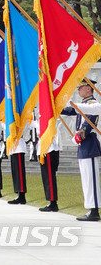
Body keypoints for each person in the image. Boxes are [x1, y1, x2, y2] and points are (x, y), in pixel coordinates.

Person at [61, 78, 101, 221]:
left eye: (81, 87)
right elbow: (72, 110)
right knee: (86, 179)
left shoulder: (92, 104)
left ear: (88, 89)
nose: (78, 90)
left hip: (89, 143)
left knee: (91, 179)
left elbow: (88, 124)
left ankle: (95, 210)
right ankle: (90, 208)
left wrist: (79, 136)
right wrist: (58, 107)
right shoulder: (83, 104)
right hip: (83, 147)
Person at [39, 124, 60, 213]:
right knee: (46, 177)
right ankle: (51, 201)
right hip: (45, 147)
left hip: (48, 147)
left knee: (49, 177)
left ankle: (53, 202)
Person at [7, 119, 29, 205]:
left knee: (19, 173)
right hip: (13, 146)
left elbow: (22, 129)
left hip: (19, 145)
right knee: (15, 172)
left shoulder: (22, 118)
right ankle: (18, 193)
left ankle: (22, 195)